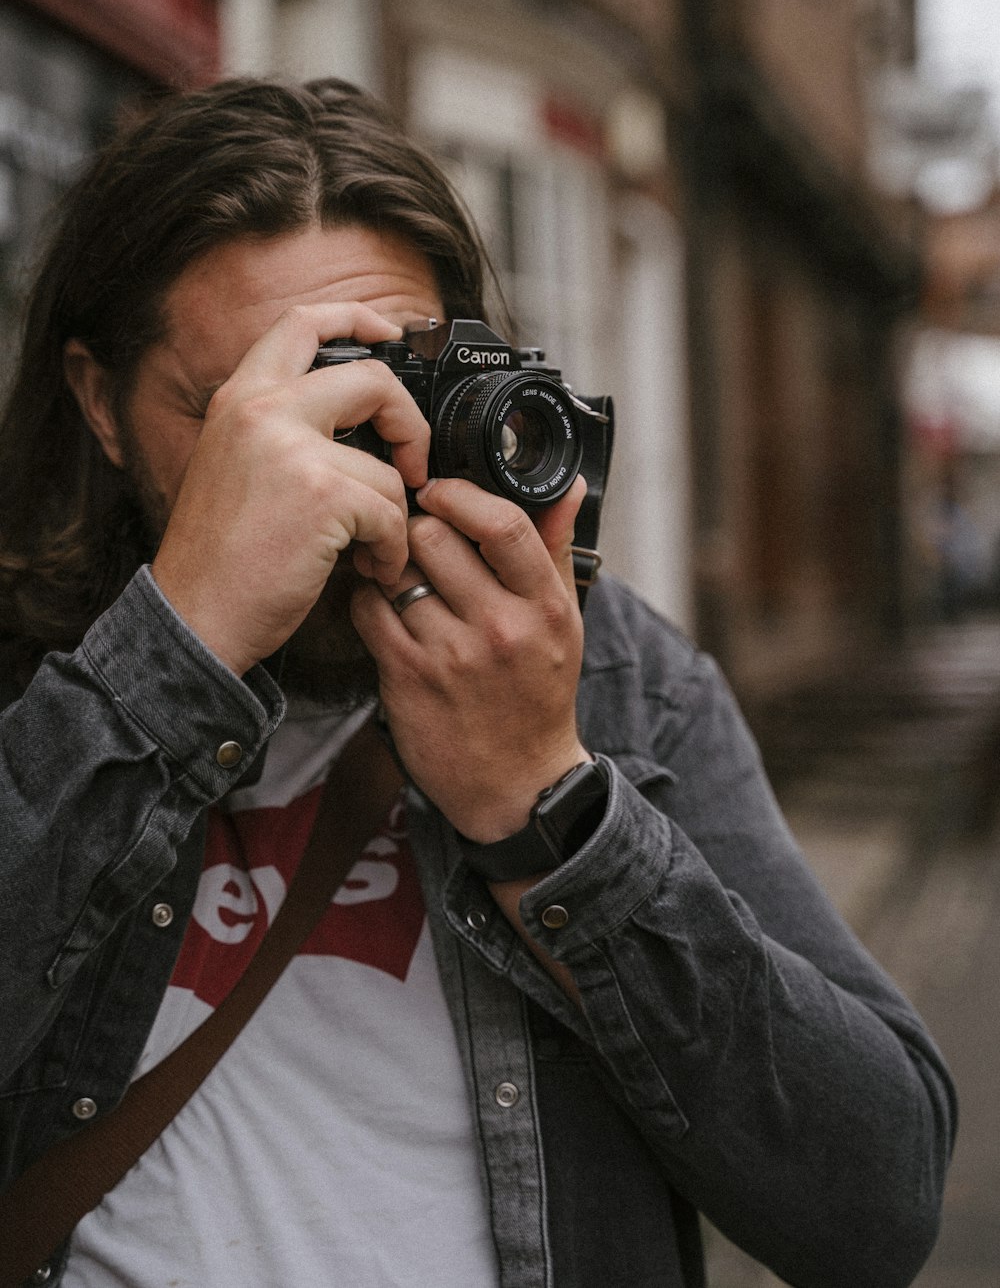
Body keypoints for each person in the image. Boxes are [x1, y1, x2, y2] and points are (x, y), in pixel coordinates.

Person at [0, 78, 954, 1288]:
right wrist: (172, 655)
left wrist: (545, 804)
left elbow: (875, 1209)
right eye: (251, 409)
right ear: (102, 405)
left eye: (386, 388)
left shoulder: (620, 679)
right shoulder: (35, 686)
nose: (340, 457)